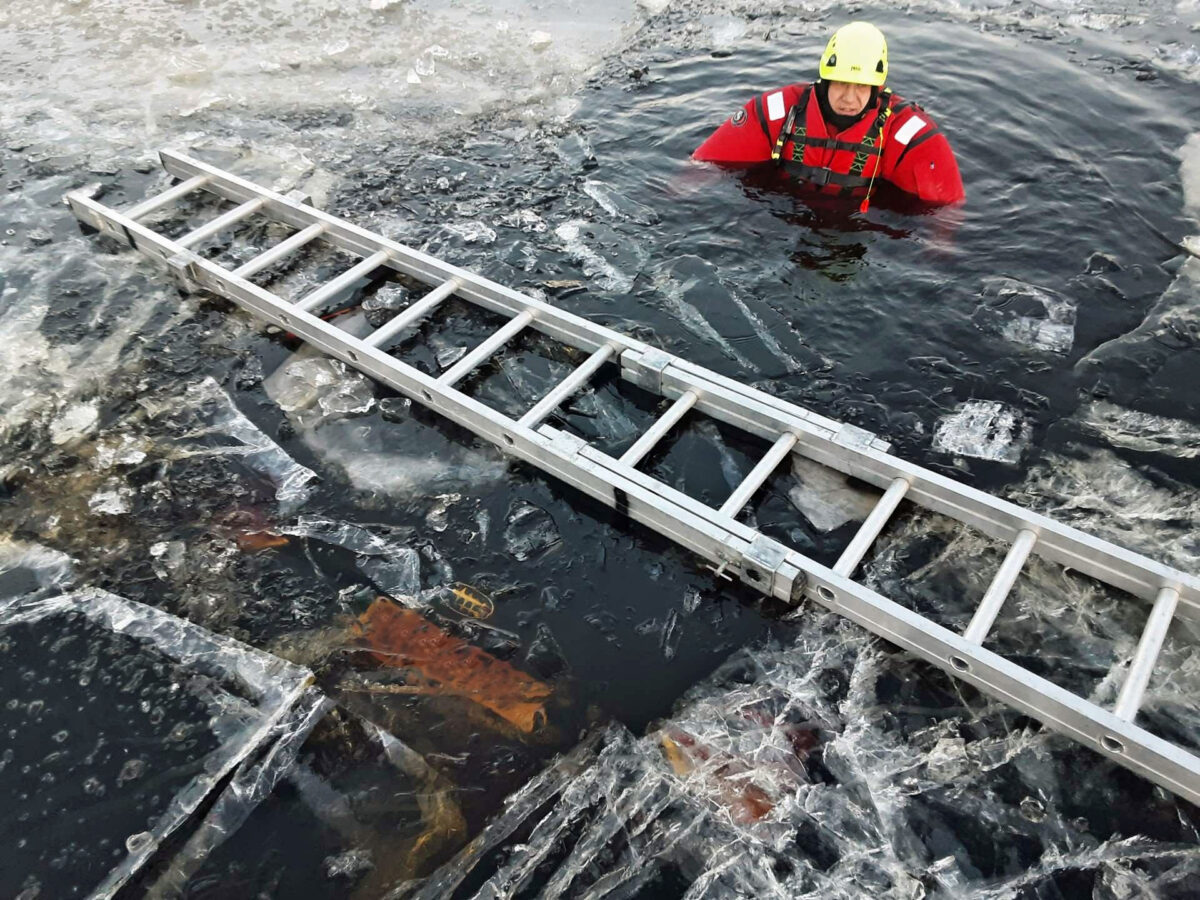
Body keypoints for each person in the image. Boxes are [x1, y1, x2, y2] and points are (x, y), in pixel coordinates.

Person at [693, 22, 964, 209]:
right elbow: (700, 170)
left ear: (877, 87)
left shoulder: (907, 133)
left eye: (860, 86)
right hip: (783, 222)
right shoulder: (778, 112)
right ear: (825, 80)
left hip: (858, 234)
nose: (849, 97)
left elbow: (945, 220)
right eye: (841, 83)